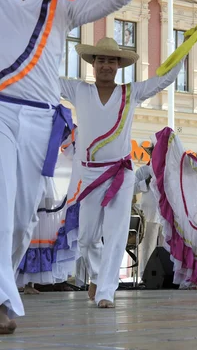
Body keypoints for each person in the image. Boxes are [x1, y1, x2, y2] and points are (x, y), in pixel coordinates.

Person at [0, 0, 168, 333]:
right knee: (1, 201)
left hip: (42, 122)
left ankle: (6, 285)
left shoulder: (60, 8)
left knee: (22, 218)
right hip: (3, 113)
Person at [59, 30, 189, 308]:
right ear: (92, 64)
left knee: (116, 234)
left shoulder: (131, 92)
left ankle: (106, 290)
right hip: (90, 175)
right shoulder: (78, 90)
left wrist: (183, 51)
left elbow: (163, 80)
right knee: (86, 238)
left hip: (120, 174)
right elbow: (45, 79)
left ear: (119, 66)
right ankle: (96, 275)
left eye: (112, 61)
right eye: (101, 60)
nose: (106, 65)